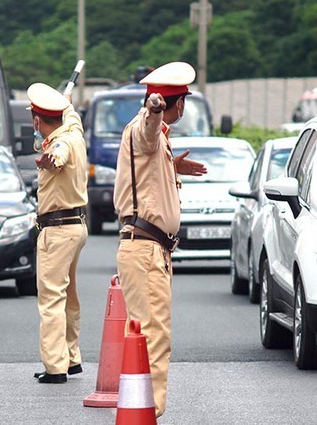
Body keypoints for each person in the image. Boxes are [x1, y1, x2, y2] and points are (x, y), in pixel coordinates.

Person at [113, 61, 207, 417]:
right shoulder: (146, 126)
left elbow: (148, 156)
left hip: (149, 249)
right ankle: (146, 413)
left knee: (144, 333)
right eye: (182, 101)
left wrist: (173, 166)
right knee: (154, 335)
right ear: (177, 103)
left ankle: (140, 410)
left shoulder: (159, 142)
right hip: (145, 249)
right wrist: (154, 110)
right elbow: (147, 132)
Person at [27, 82, 89, 384]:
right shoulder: (74, 131)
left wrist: (51, 159)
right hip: (76, 227)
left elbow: (58, 156)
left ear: (38, 121)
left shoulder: (59, 144)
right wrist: (66, 102)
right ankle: (71, 357)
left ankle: (55, 366)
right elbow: (72, 116)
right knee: (69, 297)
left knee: (51, 298)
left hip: (58, 229)